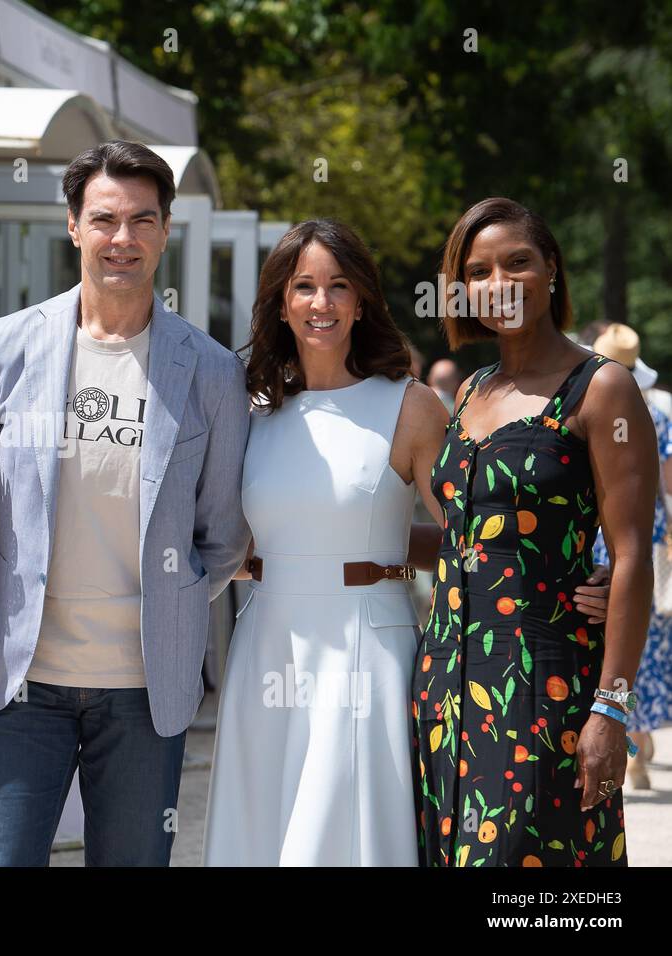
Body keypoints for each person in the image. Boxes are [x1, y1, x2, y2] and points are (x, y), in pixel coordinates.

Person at [0, 140, 249, 866]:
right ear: (74, 226)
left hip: (144, 692)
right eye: (106, 219)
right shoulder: (3, 349)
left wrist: (173, 602)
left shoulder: (208, 370)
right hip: (23, 684)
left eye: (143, 220)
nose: (124, 239)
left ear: (166, 230)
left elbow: (224, 533)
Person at [413, 198, 655, 867]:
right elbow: (471, 540)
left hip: (544, 684)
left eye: (517, 263)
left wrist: (610, 708)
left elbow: (633, 553)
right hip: (447, 682)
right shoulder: (469, 392)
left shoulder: (601, 390)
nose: (499, 283)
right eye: (479, 271)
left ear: (551, 268)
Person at [203, 219, 452, 865]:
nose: (322, 303)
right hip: (267, 649)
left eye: (339, 286)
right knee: (264, 834)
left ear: (362, 299)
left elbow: (470, 539)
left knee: (338, 837)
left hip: (367, 649)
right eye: (305, 286)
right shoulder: (249, 408)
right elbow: (219, 534)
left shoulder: (412, 406)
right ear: (281, 303)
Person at [589, 323, 672, 791]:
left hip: (601, 535)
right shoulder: (658, 415)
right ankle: (638, 740)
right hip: (650, 535)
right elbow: (669, 482)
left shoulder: (591, 398)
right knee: (645, 637)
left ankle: (629, 742)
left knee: (608, 635)